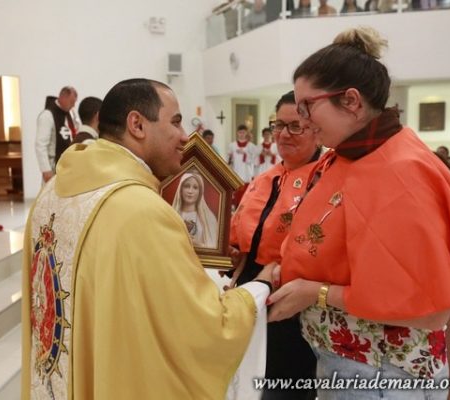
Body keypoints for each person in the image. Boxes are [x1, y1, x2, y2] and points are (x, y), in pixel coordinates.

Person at [21, 78, 276, 400]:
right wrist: (259, 287)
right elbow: (205, 326)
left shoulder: (51, 194)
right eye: (176, 122)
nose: (184, 136)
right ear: (137, 125)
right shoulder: (140, 208)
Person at [267, 27, 450, 399]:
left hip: (380, 373)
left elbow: (429, 310)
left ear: (351, 101)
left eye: (307, 106)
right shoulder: (351, 155)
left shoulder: (400, 173)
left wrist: (315, 293)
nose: (303, 120)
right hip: (350, 362)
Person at [229, 91, 320, 400]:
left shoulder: (326, 180)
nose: (283, 134)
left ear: (317, 129)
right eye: (279, 125)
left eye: (295, 126)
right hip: (252, 294)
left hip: (292, 304)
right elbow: (243, 233)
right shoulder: (266, 178)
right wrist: (232, 251)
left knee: (284, 387)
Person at [34, 86, 79, 183]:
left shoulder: (70, 114)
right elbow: (40, 145)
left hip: (69, 164)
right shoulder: (47, 115)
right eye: (72, 102)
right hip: (53, 164)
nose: (73, 105)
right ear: (63, 97)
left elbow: (75, 131)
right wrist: (46, 169)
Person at [172, 171, 219, 249]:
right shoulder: (170, 215)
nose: (190, 191)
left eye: (195, 187)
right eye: (187, 186)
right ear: (180, 189)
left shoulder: (209, 218)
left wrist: (199, 245)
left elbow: (215, 248)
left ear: (200, 192)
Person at [228, 124, 257, 206]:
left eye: (243, 132)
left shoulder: (251, 146)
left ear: (246, 133)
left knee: (246, 199)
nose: (241, 134)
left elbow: (255, 161)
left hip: (247, 174)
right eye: (240, 132)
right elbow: (229, 160)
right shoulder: (232, 145)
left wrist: (244, 154)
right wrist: (230, 158)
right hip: (236, 172)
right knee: (236, 198)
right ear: (237, 133)